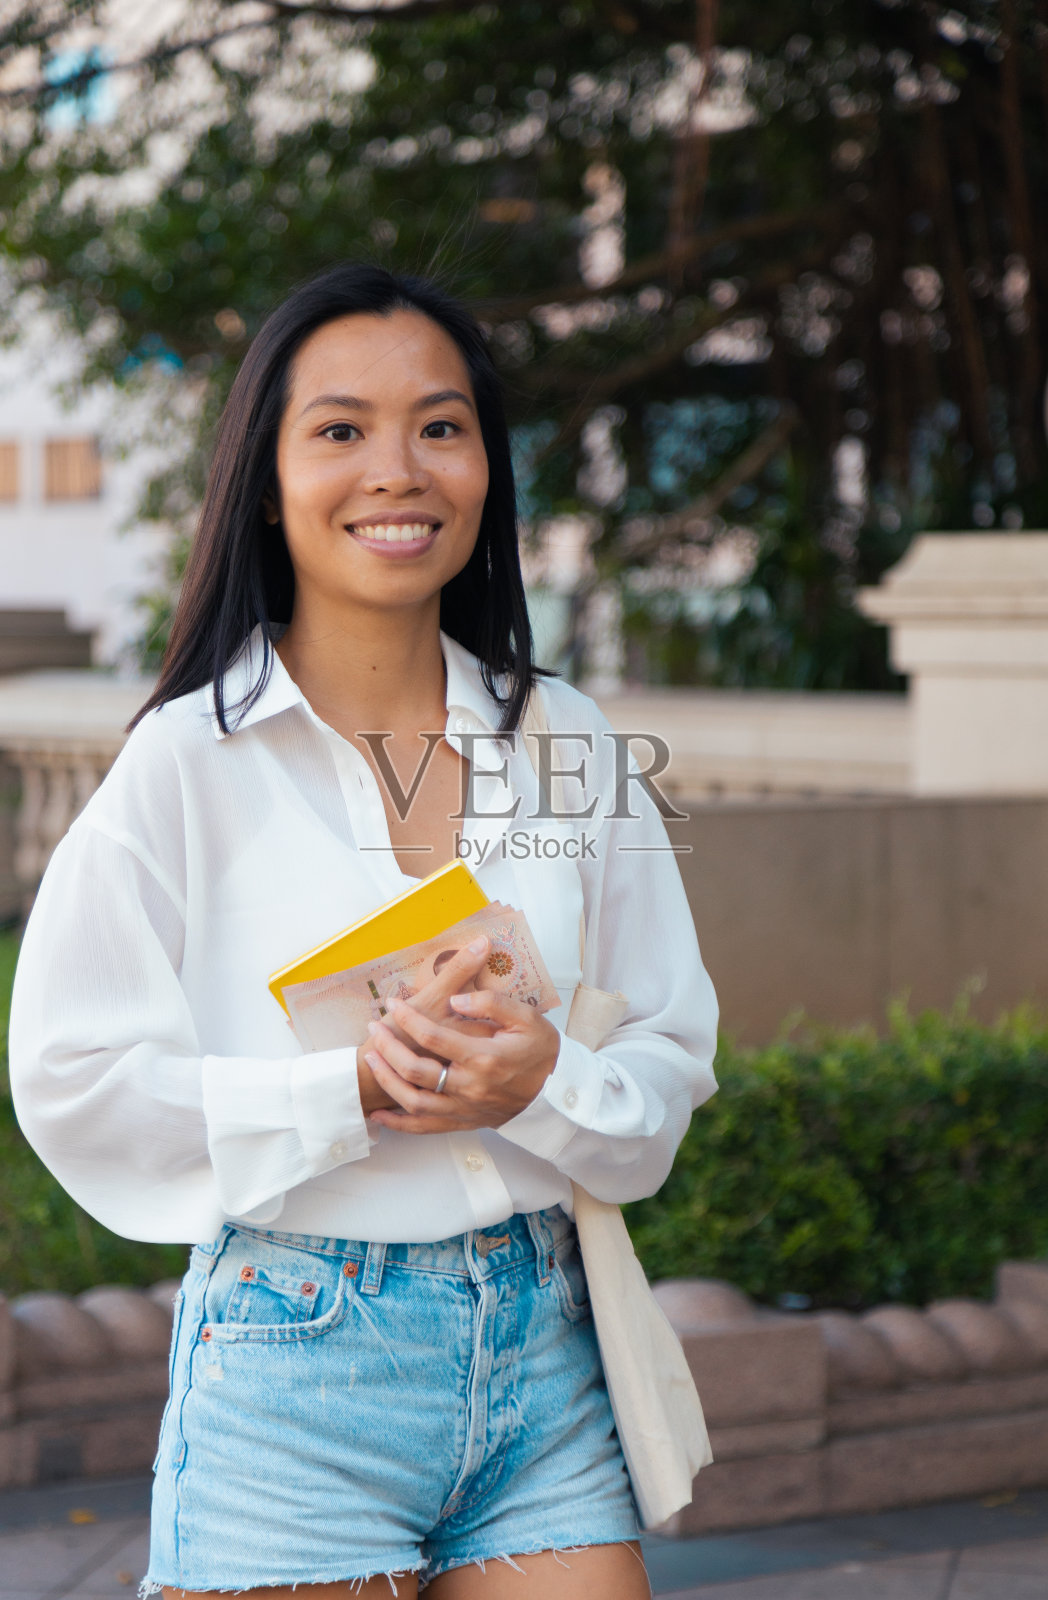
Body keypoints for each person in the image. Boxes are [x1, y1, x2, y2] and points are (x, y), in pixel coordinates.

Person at [9, 263, 718, 1599]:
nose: (398, 469)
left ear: (487, 472)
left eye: (441, 427)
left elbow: (670, 1070)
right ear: (266, 480)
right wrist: (355, 1087)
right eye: (340, 430)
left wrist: (542, 1080)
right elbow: (72, 1079)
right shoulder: (186, 763)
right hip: (296, 1362)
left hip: (546, 1353)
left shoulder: (568, 741)